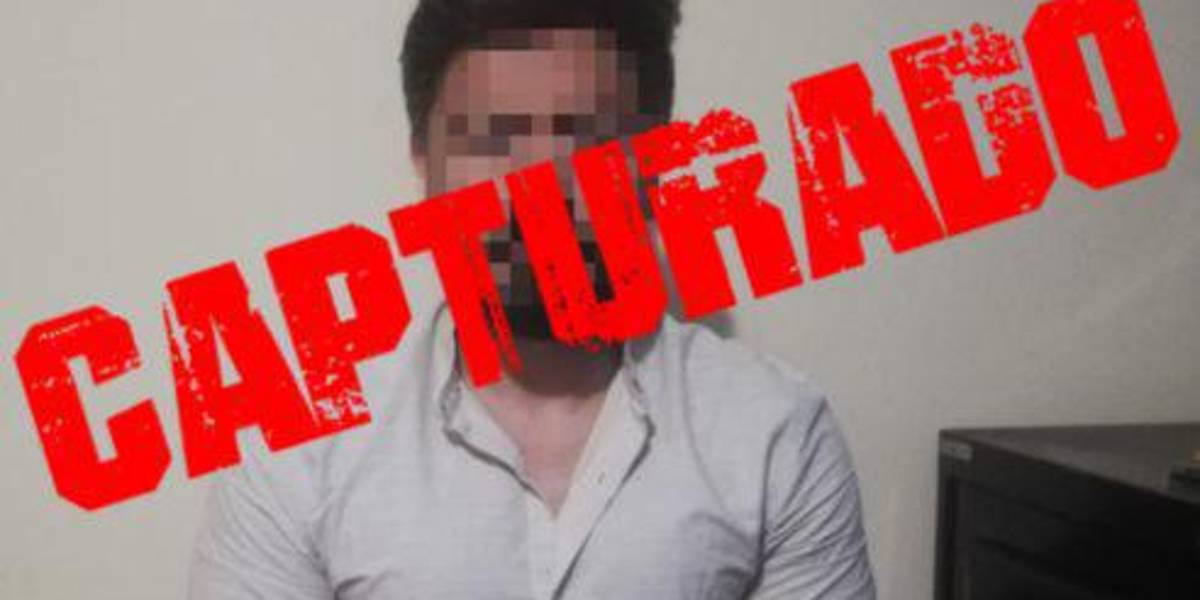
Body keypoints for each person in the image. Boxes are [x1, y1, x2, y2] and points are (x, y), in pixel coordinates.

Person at [188, 1, 876, 598]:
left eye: (590, 138)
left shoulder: (775, 437)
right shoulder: (300, 449)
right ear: (424, 163)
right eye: (494, 136)